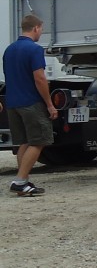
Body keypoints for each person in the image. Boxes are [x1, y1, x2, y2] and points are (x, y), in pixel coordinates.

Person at [2, 13, 56, 196]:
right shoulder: (34, 49)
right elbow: (39, 78)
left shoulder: (9, 49)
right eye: (41, 29)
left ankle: (22, 181)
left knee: (23, 142)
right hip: (31, 103)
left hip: (12, 103)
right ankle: (20, 181)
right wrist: (49, 104)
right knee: (39, 141)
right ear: (36, 28)